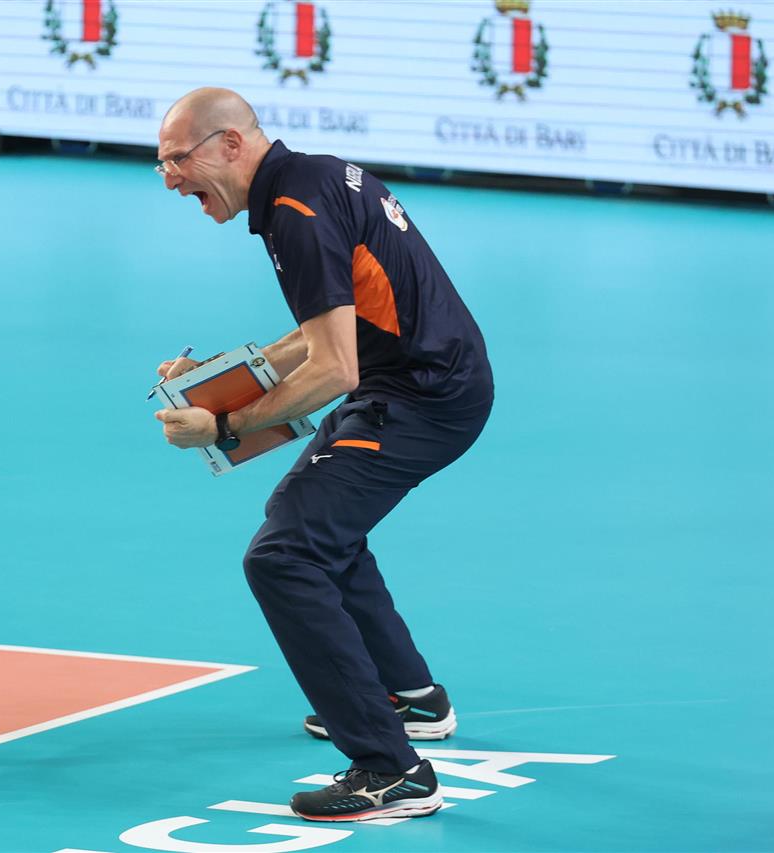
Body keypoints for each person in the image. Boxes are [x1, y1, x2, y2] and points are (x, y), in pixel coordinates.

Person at [152, 88, 494, 822]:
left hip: (421, 394)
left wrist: (223, 425)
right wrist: (218, 377)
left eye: (178, 159)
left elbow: (333, 369)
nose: (171, 178)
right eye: (162, 165)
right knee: (310, 519)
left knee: (284, 555)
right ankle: (410, 697)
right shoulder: (308, 178)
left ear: (230, 145)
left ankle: (391, 770)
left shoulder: (294, 211)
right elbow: (322, 330)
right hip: (420, 377)